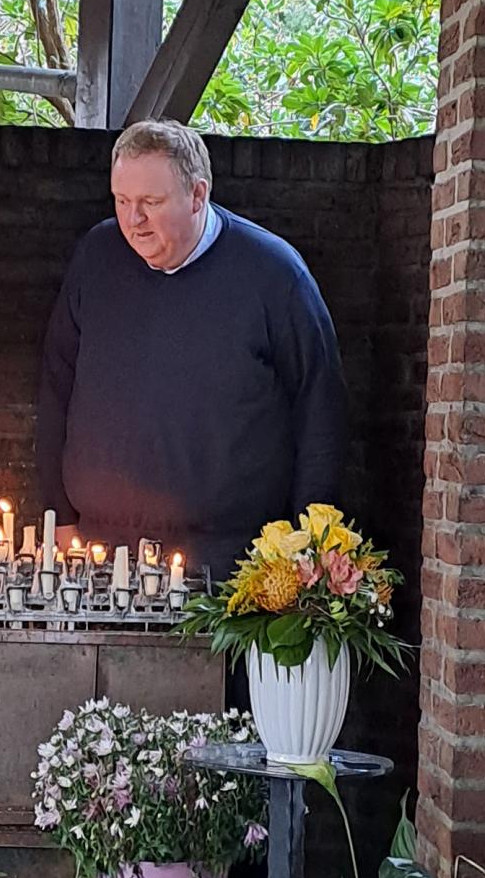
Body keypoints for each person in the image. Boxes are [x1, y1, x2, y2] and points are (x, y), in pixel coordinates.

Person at [36, 119, 348, 582]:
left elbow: (321, 410)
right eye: (122, 200)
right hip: (98, 552)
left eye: (151, 203)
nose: (133, 219)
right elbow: (56, 384)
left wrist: (310, 544)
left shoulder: (275, 274)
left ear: (198, 195)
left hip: (234, 564)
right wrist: (56, 513)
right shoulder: (96, 256)